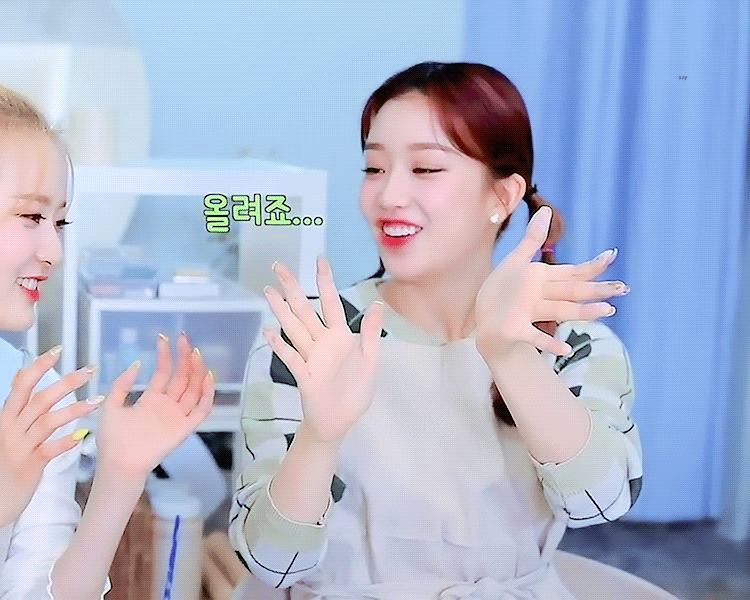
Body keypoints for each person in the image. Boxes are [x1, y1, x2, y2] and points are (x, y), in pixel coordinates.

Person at [230, 62, 642, 599]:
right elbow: (271, 562)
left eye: (425, 168)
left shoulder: (572, 341)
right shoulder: (312, 335)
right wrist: (320, 436)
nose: (388, 195)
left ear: (502, 197)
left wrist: (510, 356)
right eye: (374, 168)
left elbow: (599, 503)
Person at [0, 86, 215, 599]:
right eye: (31, 217)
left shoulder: (40, 400)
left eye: (59, 222)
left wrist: (119, 478)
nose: (54, 250)